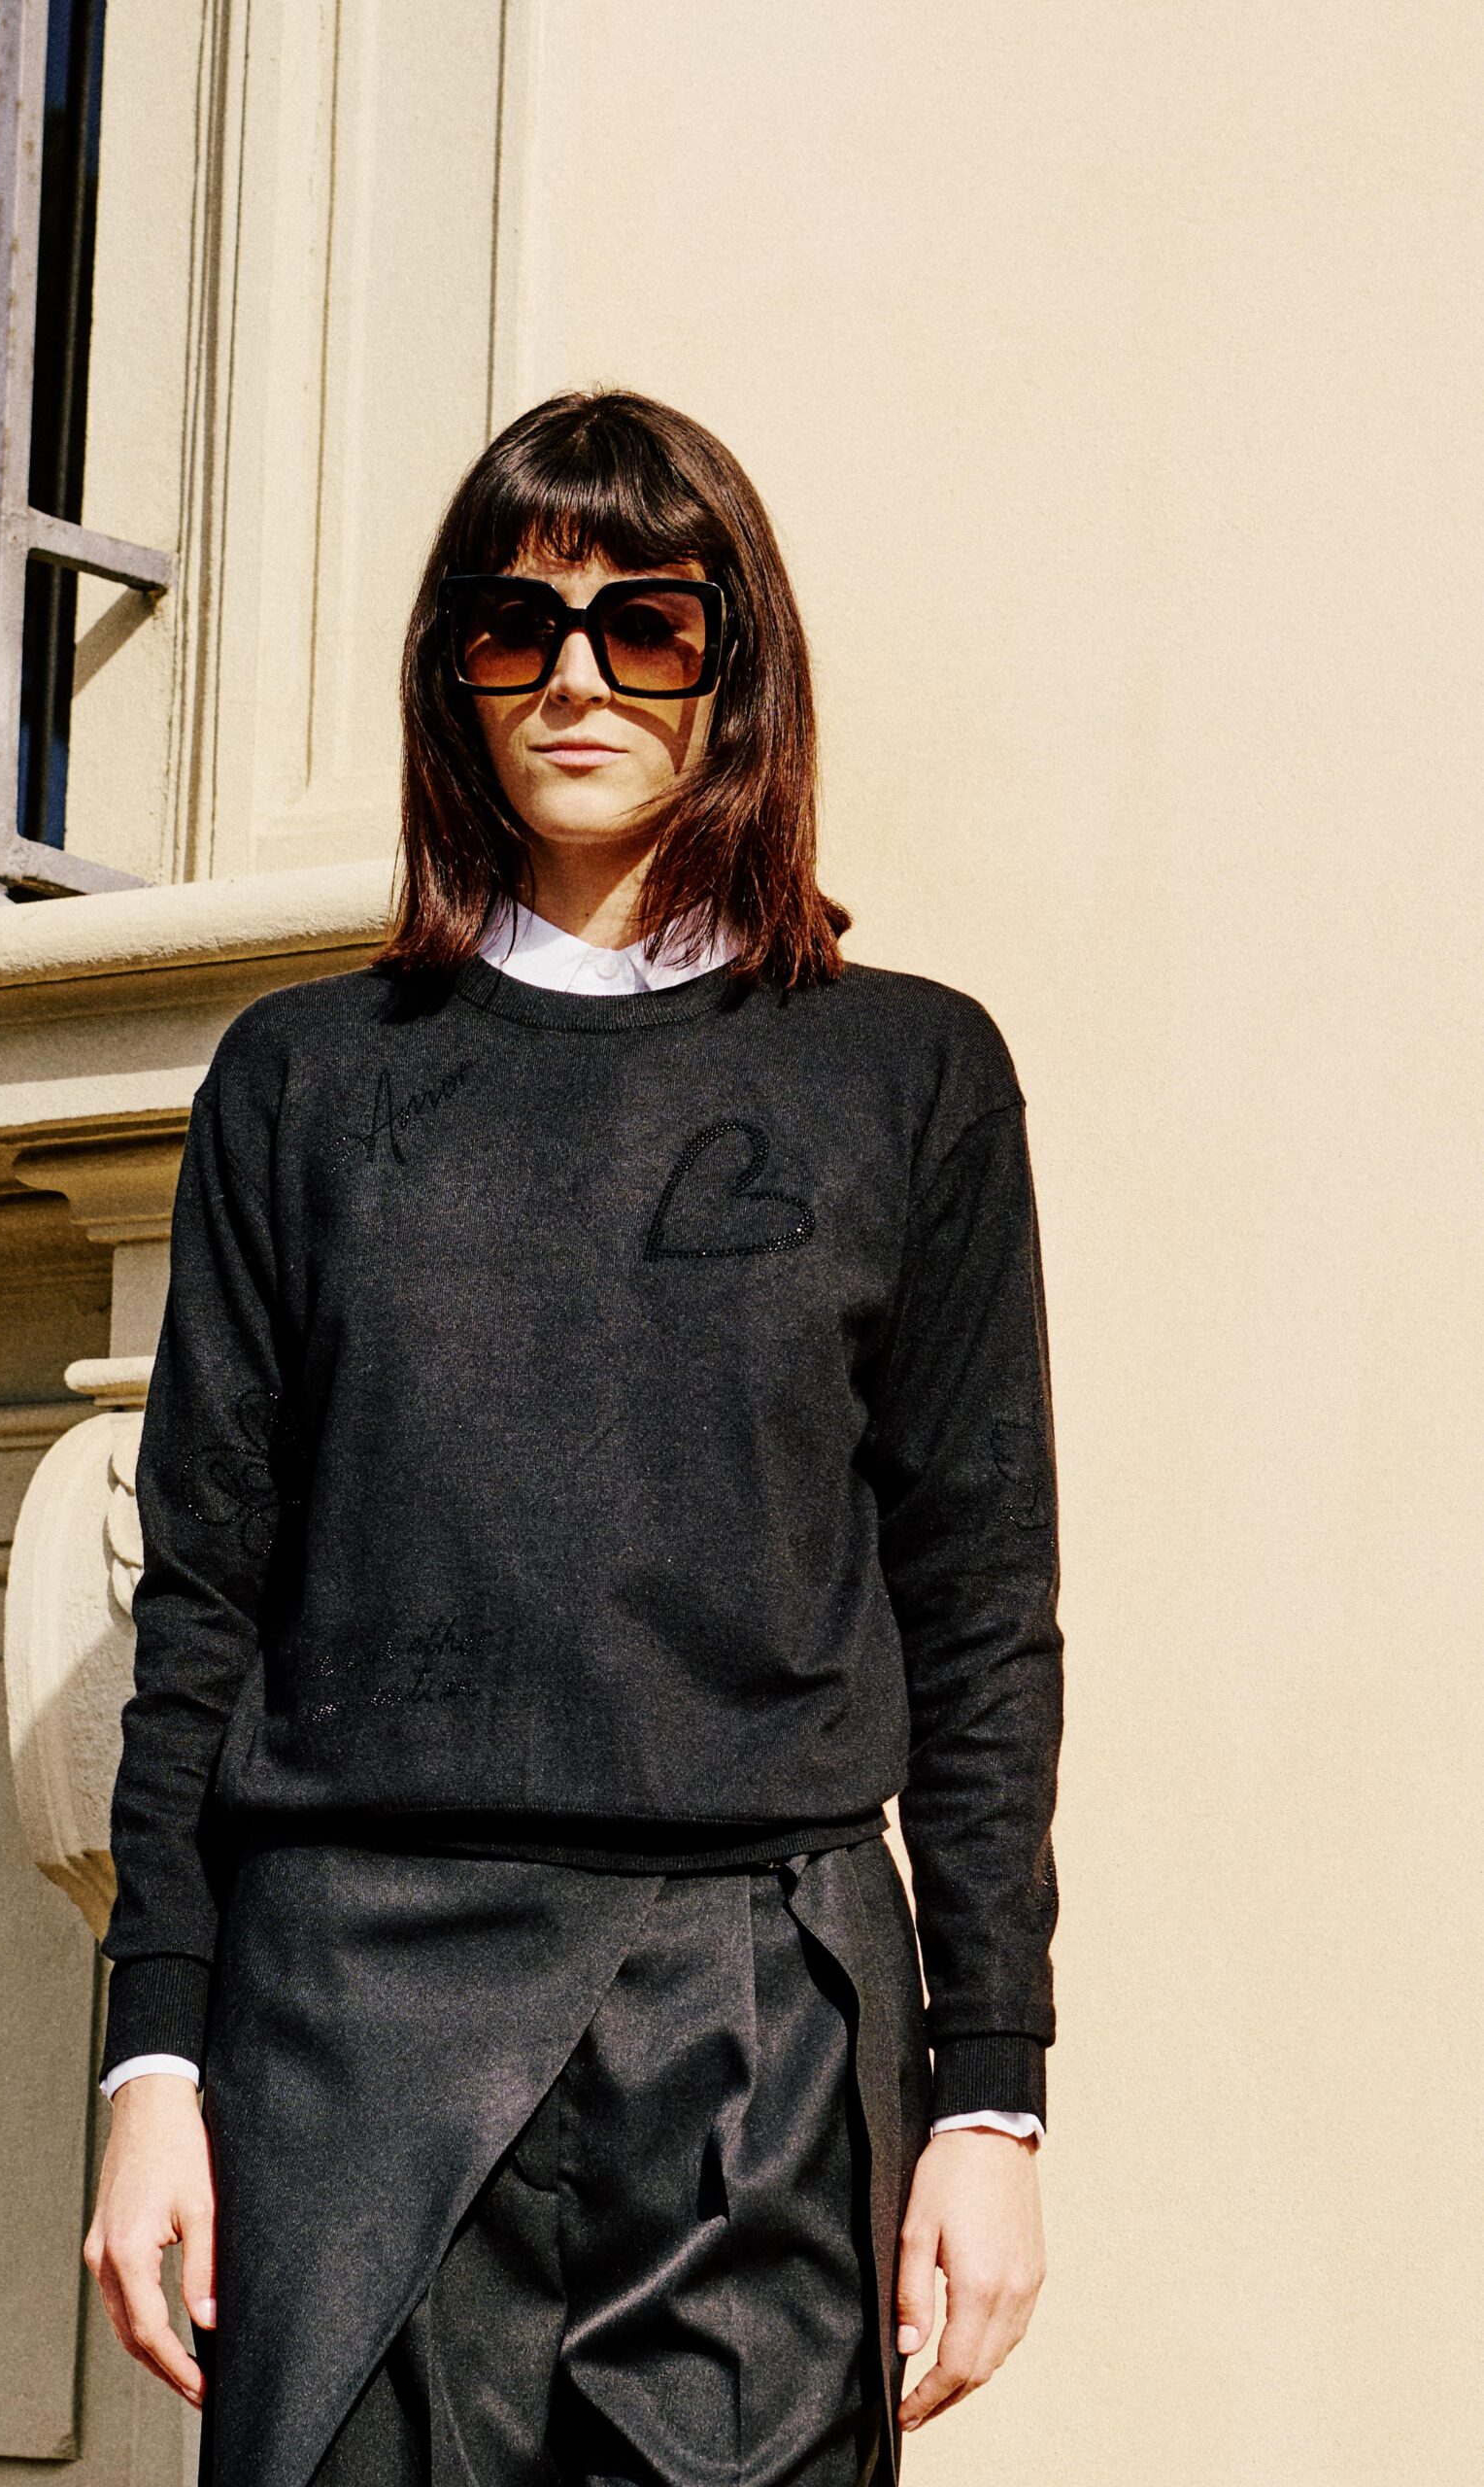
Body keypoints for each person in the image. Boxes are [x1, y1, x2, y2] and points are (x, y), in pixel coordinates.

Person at [84, 388, 1063, 2487]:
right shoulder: (301, 1082)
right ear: (454, 671)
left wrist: (988, 2088)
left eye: (648, 623)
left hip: (757, 2008)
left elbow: (981, 1605)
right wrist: (149, 2055)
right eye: (515, 627)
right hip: (345, 2011)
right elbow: (202, 1595)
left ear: (735, 663)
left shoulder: (905, 1077)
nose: (578, 679)